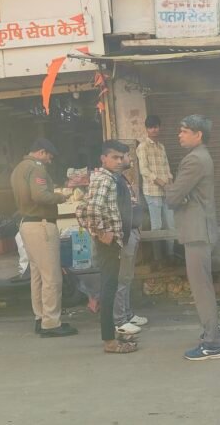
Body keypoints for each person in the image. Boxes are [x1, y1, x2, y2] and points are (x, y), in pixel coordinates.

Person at [164, 115, 220, 361]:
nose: (180, 135)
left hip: (196, 231)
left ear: (198, 135)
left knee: (201, 289)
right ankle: (213, 329)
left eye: (184, 131)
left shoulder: (194, 159)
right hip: (201, 229)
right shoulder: (202, 156)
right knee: (204, 285)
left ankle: (212, 344)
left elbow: (172, 197)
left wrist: (172, 190)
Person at [11, 138, 77, 338]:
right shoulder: (36, 168)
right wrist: (61, 197)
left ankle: (40, 318)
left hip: (27, 224)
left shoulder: (19, 168)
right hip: (41, 224)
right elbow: (40, 195)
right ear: (41, 152)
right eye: (49, 156)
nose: (50, 160)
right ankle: (51, 323)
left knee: (38, 276)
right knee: (52, 276)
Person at [78, 140, 139, 354]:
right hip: (109, 243)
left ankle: (112, 334)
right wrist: (102, 233)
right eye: (114, 157)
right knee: (109, 288)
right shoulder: (104, 179)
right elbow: (91, 211)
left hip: (114, 241)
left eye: (121, 158)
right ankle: (109, 341)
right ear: (103, 158)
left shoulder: (111, 178)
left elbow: (83, 208)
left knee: (111, 287)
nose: (119, 161)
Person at [113, 150, 147, 336]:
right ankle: (120, 320)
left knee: (127, 277)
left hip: (132, 231)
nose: (129, 158)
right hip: (124, 234)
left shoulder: (122, 178)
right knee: (121, 278)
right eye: (126, 155)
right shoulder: (113, 180)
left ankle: (127, 314)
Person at [136, 115, 175, 265]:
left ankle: (171, 255)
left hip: (166, 191)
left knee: (171, 224)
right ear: (146, 129)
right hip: (152, 192)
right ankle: (158, 259)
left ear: (160, 128)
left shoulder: (161, 147)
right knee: (157, 226)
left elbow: (167, 168)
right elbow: (144, 170)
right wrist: (161, 183)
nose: (154, 130)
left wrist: (170, 184)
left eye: (156, 127)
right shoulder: (142, 147)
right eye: (151, 127)